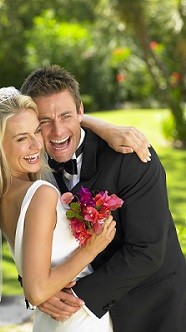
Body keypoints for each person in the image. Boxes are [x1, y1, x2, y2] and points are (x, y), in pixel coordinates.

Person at [0, 87, 145, 330]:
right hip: (77, 318)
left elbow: (34, 270)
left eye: (36, 131)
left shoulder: (2, 196)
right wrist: (89, 250)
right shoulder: (41, 194)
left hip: (52, 320)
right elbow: (36, 292)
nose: (36, 145)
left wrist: (102, 127)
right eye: (21, 139)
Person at [20, 65, 186, 332]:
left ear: (81, 112)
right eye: (44, 121)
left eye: (66, 116)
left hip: (154, 309)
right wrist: (38, 288)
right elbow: (30, 238)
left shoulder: (132, 157)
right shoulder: (31, 168)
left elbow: (147, 251)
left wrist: (73, 297)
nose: (58, 131)